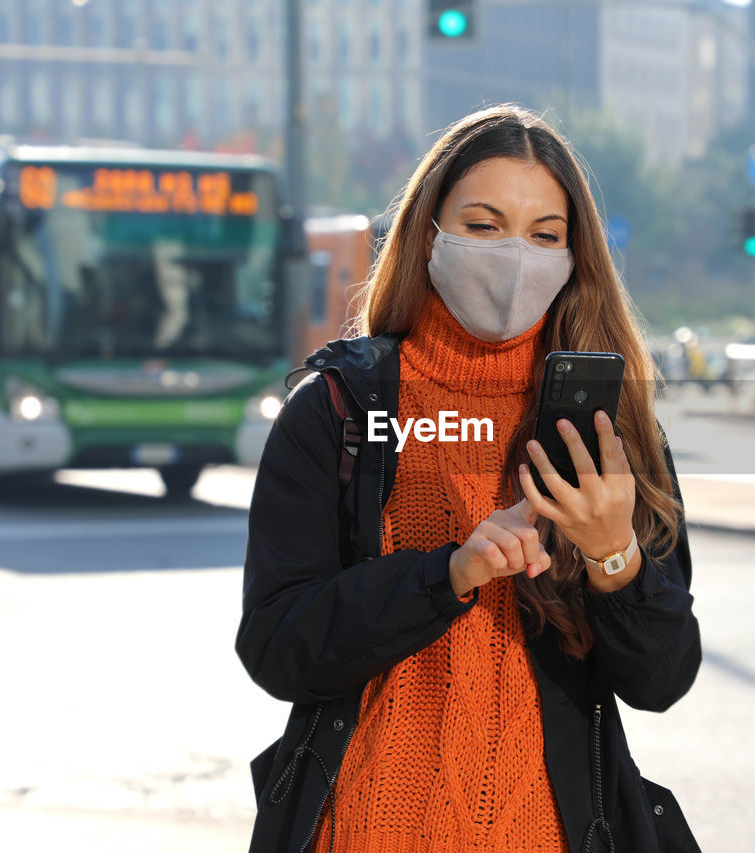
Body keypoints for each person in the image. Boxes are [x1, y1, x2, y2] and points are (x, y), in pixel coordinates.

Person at [236, 104, 701, 853]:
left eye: (545, 235)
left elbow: (662, 680)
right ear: (428, 234)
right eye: (484, 225)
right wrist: (450, 572)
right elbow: (277, 646)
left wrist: (615, 553)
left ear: (575, 256)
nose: (516, 255)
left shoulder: (614, 431)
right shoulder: (336, 410)